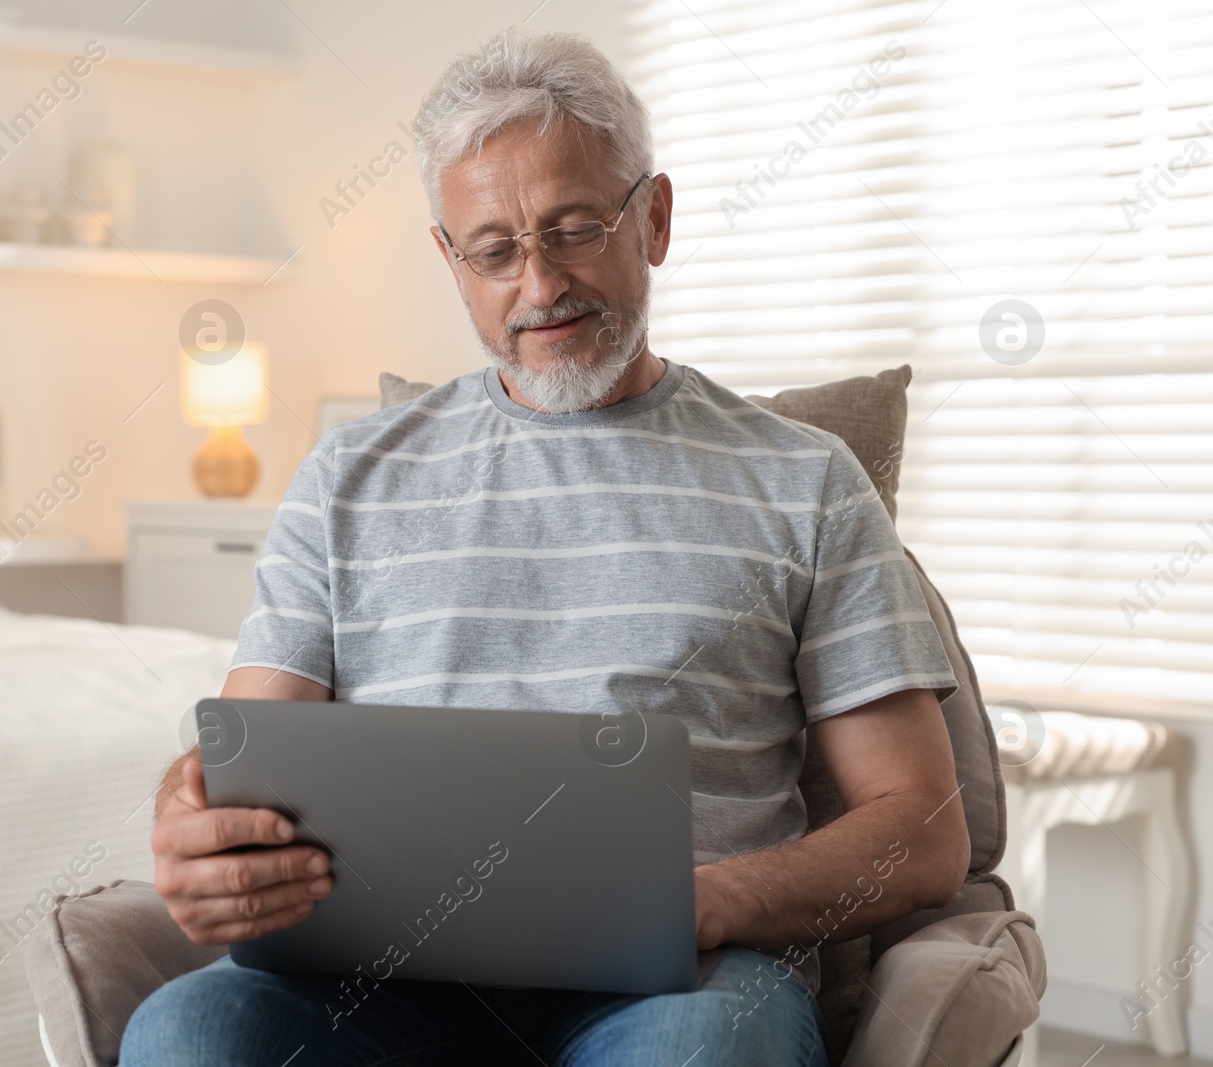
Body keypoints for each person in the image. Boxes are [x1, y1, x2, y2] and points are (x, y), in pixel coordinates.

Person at [122, 25, 970, 1067]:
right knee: (185, 1029)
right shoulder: (346, 478)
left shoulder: (805, 481)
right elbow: (240, 761)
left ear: (652, 218)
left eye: (572, 229)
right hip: (385, 981)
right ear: (449, 259)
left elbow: (924, 826)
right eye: (493, 250)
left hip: (679, 980)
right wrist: (188, 811)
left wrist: (707, 900)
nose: (537, 285)